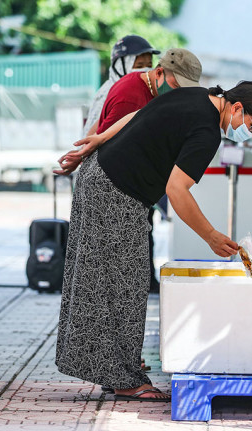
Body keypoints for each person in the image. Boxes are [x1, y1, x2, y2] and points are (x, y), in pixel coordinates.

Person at [54, 81, 252, 401]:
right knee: (124, 286)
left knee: (106, 283)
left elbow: (139, 116)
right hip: (116, 193)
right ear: (237, 108)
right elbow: (176, 190)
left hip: (101, 174)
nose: (250, 134)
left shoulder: (198, 95)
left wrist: (98, 140)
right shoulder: (208, 132)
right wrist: (211, 236)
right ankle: (124, 379)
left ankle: (113, 372)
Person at [62, 48, 203, 295]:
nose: (178, 92)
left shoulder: (148, 90)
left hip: (128, 190)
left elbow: (101, 128)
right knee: (106, 279)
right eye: (176, 84)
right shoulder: (132, 95)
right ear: (159, 72)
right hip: (111, 190)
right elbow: (112, 142)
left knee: (124, 279)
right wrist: (82, 155)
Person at [83, 35, 160, 137]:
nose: (145, 70)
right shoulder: (107, 92)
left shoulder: (148, 90)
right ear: (120, 66)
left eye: (149, 65)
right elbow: (90, 137)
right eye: (139, 66)